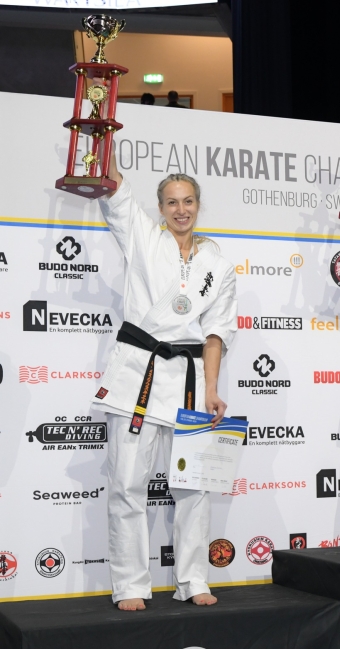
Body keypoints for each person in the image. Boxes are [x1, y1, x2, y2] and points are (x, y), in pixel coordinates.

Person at [92, 146, 237, 610]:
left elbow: (215, 334)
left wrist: (212, 389)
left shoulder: (218, 265)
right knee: (127, 484)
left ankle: (192, 579)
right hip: (139, 374)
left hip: (189, 381)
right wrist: (102, 136)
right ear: (160, 208)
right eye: (172, 202)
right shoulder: (142, 237)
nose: (181, 210)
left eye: (188, 201)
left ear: (199, 205)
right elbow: (116, 190)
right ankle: (131, 585)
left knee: (194, 486)